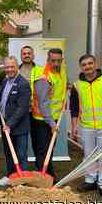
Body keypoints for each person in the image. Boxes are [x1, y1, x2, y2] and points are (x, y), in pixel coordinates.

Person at [70, 54, 102, 200]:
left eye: (90, 63)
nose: (87, 67)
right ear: (81, 67)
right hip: (86, 127)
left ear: (96, 64)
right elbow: (74, 108)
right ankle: (90, 180)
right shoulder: (77, 86)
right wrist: (74, 127)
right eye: (84, 65)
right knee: (89, 156)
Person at [31, 48, 67, 180]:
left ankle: (48, 173)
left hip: (54, 117)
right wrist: (51, 123)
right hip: (43, 120)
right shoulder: (44, 77)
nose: (56, 64)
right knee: (43, 151)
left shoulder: (60, 71)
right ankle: (44, 177)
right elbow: (43, 103)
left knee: (49, 150)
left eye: (59, 61)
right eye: (53, 61)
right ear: (47, 60)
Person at [0, 56, 31, 186]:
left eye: (12, 67)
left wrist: (10, 124)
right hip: (5, 125)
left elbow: (22, 108)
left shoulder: (23, 84)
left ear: (17, 67)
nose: (9, 69)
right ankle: (11, 176)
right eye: (7, 67)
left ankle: (21, 181)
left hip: (18, 126)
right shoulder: (5, 82)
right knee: (9, 153)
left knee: (21, 154)